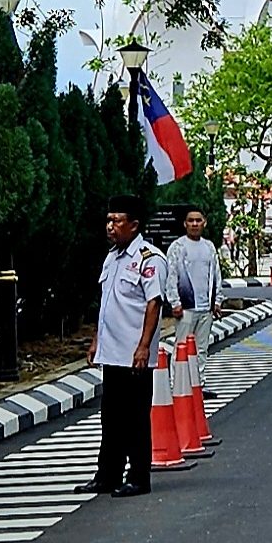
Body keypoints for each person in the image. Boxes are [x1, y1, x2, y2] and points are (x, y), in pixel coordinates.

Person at [79, 194, 166, 497]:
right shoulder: (112, 257)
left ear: (134, 224)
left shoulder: (149, 258)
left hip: (134, 355)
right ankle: (108, 474)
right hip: (112, 352)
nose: (110, 226)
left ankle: (139, 477)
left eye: (117, 221)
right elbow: (107, 304)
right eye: (108, 220)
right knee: (111, 417)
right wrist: (96, 340)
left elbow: (154, 303)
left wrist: (144, 346)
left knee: (135, 419)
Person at [166, 209, 221, 358]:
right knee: (181, 347)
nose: (195, 224)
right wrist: (175, 302)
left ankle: (199, 374)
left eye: (198, 220)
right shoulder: (177, 247)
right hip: (186, 308)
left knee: (201, 349)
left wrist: (216, 301)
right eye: (191, 220)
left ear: (204, 223)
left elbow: (216, 275)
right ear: (185, 224)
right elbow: (171, 276)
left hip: (206, 309)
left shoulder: (209, 247)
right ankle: (178, 374)